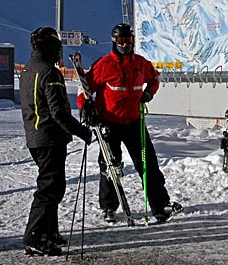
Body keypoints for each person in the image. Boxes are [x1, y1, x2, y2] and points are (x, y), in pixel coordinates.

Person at [77, 23, 182, 224]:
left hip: (134, 122)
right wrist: (85, 108)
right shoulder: (104, 64)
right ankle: (108, 206)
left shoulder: (141, 63)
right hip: (109, 123)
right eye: (121, 41)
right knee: (110, 165)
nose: (125, 45)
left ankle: (161, 205)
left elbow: (154, 79)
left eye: (129, 41)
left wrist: (149, 93)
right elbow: (85, 89)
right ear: (114, 42)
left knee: (148, 163)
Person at [20, 27, 92, 256]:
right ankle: (35, 236)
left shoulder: (29, 69)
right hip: (49, 138)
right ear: (51, 48)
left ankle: (49, 232)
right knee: (49, 189)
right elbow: (58, 112)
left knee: (53, 186)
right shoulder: (49, 73)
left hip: (36, 136)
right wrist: (82, 132)